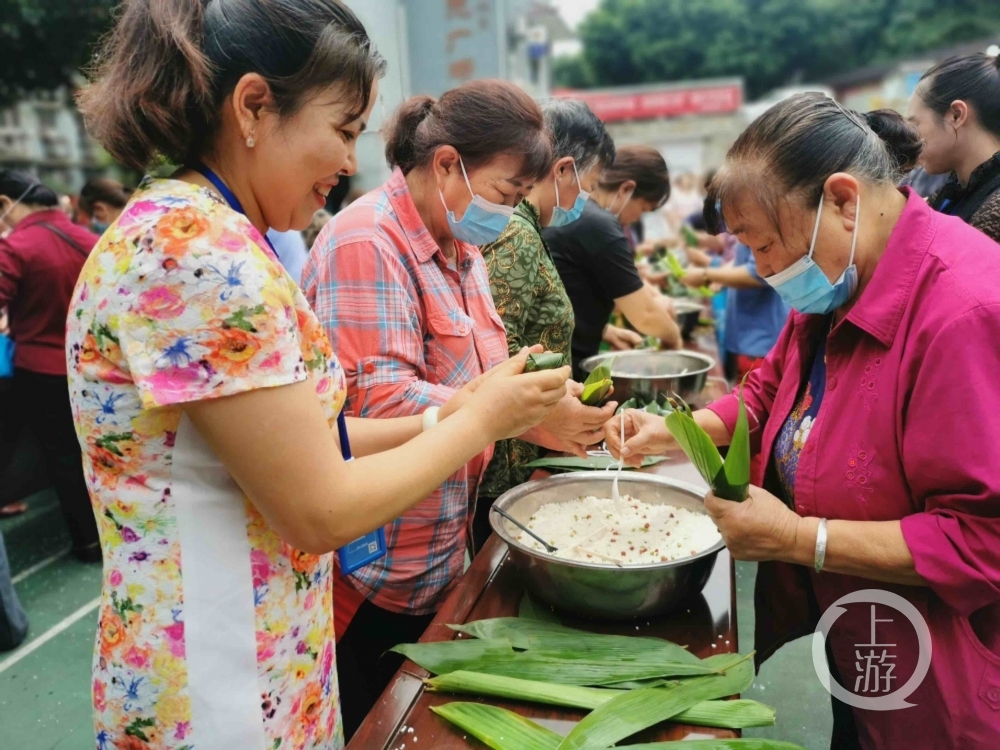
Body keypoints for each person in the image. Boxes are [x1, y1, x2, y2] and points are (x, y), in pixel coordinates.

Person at [74, 3, 569, 748]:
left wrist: (448, 413)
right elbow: (319, 509)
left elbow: (311, 435)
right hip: (220, 682)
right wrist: (480, 420)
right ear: (253, 107)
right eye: (342, 130)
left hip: (250, 655)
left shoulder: (203, 231)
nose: (348, 163)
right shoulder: (196, 249)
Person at [606, 93, 1000, 748]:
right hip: (862, 626)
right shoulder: (845, 274)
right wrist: (684, 430)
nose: (760, 269)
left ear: (843, 200)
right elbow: (772, 389)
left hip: (944, 665)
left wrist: (801, 539)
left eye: (765, 245)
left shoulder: (963, 310)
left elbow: (980, 539)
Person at [302, 80, 601, 738]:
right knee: (376, 725)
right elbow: (376, 405)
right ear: (446, 165)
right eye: (504, 193)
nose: (508, 212)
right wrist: (517, 412)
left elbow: (482, 377)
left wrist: (548, 399)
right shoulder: (367, 243)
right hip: (373, 570)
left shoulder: (462, 251)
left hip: (437, 554)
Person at [473, 99, 618, 553]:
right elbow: (497, 352)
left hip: (521, 443)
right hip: (506, 462)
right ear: (563, 170)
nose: (584, 201)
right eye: (588, 187)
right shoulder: (516, 232)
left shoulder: (527, 228)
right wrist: (552, 411)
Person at [0, 169, 101, 559]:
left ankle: (86, 543)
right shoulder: (90, 240)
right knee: (93, 453)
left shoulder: (17, 246)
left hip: (41, 369)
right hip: (92, 366)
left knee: (62, 460)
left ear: (6, 204)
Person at [544, 144, 681, 379]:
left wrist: (604, 330)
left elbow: (570, 289)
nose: (637, 218)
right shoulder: (598, 224)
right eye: (643, 209)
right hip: (565, 367)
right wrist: (674, 337)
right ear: (627, 188)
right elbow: (645, 314)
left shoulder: (579, 213)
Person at [908, 53, 1000, 241]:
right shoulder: (955, 189)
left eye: (915, 124)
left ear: (956, 115)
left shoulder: (994, 212)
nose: (911, 138)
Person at [680, 242, 790, 380]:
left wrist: (707, 275)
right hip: (749, 335)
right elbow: (741, 260)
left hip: (759, 340)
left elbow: (758, 273)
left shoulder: (759, 227)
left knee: (753, 394)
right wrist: (720, 273)